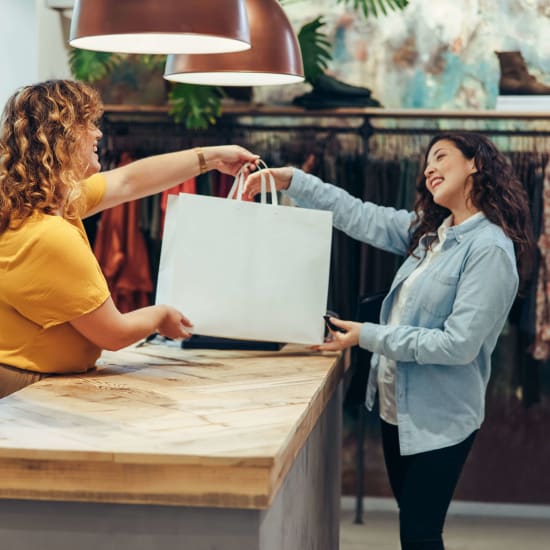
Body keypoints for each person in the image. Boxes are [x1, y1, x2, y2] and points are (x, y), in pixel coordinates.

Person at [243, 131, 535, 550]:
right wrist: (293, 180)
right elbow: (358, 214)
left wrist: (367, 335)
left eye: (441, 157)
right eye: (426, 162)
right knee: (413, 527)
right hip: (396, 410)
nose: (429, 168)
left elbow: (458, 345)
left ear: (476, 164)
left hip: (439, 418)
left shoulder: (489, 249)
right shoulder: (432, 234)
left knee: (420, 534)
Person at [0, 79, 258, 399]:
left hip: (32, 382)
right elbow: (114, 333)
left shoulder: (43, 205)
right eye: (87, 124)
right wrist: (160, 315)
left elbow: (128, 181)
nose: (98, 134)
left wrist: (213, 158)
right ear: (59, 138)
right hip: (26, 393)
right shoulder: (49, 235)